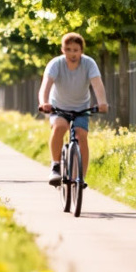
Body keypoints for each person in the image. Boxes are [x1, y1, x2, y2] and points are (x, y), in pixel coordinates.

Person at [37, 32, 108, 186]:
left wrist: (102, 102)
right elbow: (46, 85)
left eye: (76, 50)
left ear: (81, 51)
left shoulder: (89, 64)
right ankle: (55, 165)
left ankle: (80, 177)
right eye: (68, 49)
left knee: (81, 135)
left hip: (81, 107)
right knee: (60, 127)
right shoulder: (56, 64)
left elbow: (97, 84)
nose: (72, 53)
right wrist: (44, 102)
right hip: (59, 107)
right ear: (63, 50)